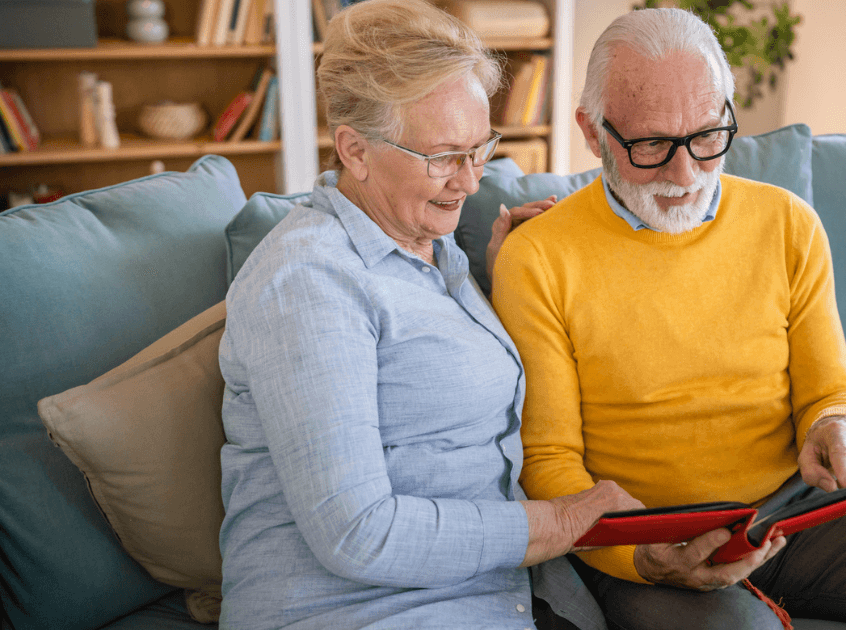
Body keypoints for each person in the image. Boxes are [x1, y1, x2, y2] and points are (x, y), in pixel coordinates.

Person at [492, 8, 846, 630]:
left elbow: (831, 388)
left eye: (708, 138)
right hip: (653, 536)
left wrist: (840, 424)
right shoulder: (538, 256)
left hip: (792, 514)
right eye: (652, 145)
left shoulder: (788, 224)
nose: (685, 175)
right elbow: (549, 462)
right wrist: (640, 557)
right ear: (592, 130)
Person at [217, 1, 641, 628]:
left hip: (486, 597)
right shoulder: (308, 281)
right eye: (444, 156)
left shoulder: (432, 250)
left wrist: (501, 284)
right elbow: (359, 533)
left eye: (481, 149)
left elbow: (432, 383)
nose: (470, 182)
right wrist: (568, 520)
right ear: (355, 151)